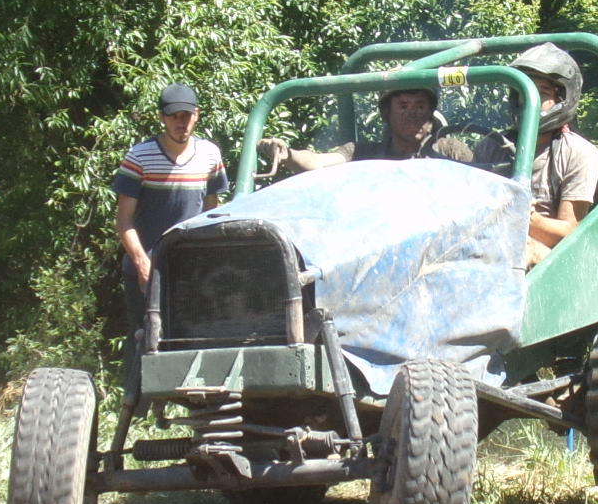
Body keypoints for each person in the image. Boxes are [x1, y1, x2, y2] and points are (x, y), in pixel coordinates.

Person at [113, 83, 230, 330]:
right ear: (161, 118)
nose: (180, 122)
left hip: (192, 270)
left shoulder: (210, 155)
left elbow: (210, 214)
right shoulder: (139, 157)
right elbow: (124, 220)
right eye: (173, 116)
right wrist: (142, 263)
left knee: (190, 337)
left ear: (196, 115)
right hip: (147, 269)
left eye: (186, 115)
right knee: (144, 339)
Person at [472, 43, 598, 267]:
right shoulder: (490, 147)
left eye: (542, 93)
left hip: (556, 262)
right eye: (524, 92)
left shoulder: (578, 152)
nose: (530, 101)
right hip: (490, 248)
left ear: (562, 99)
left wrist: (524, 216)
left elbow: (570, 235)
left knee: (523, 249)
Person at [256, 87, 470, 175]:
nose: (412, 114)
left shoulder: (451, 151)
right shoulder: (362, 153)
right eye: (403, 106)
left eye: (420, 106)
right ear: (387, 113)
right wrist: (288, 154)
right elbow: (317, 162)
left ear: (430, 114)